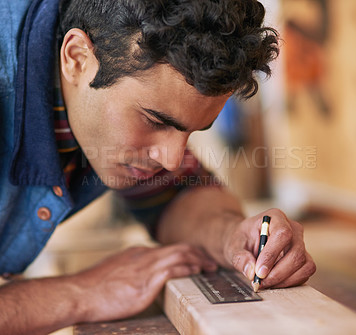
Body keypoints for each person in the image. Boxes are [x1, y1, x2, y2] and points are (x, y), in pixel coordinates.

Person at [0, 0, 316, 333]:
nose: (172, 160)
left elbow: (177, 196)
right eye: (155, 121)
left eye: (191, 131)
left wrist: (232, 236)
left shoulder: (110, 82)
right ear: (77, 57)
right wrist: (78, 293)